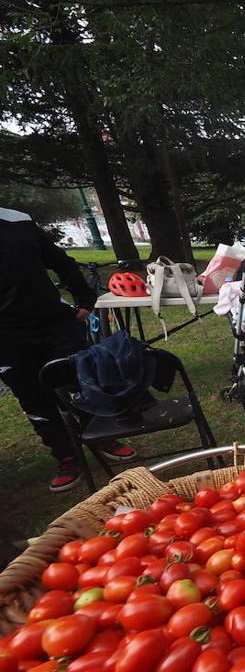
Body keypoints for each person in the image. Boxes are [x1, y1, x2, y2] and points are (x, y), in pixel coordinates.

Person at [0, 207, 136, 491]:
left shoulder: (18, 221)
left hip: (53, 322)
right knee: (33, 398)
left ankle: (103, 435)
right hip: (7, 338)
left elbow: (61, 262)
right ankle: (66, 456)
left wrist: (85, 298)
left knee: (80, 380)